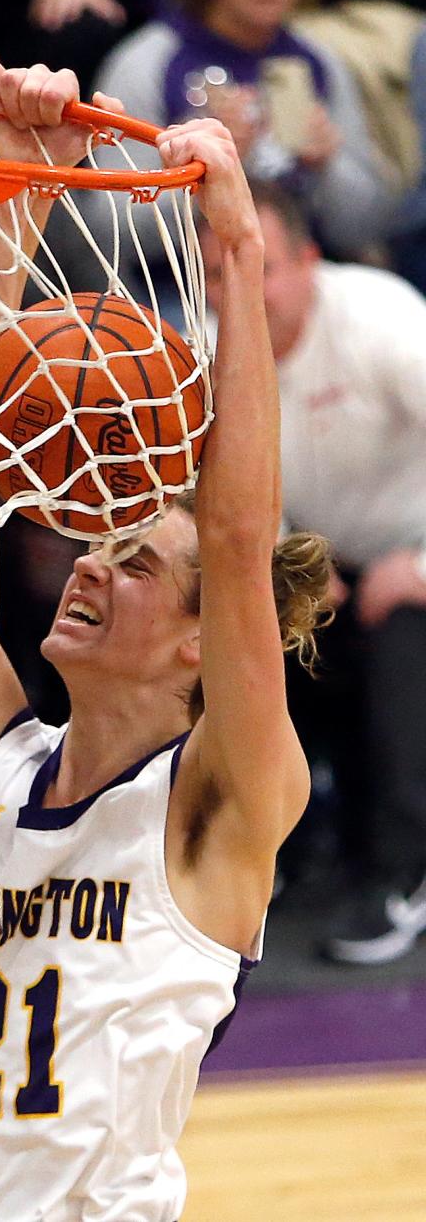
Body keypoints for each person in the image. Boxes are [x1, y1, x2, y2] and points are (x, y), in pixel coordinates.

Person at [0, 61, 331, 1219]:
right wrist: (25, 187)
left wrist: (236, 256)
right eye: (100, 545)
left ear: (198, 647)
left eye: (135, 565)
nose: (88, 560)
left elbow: (234, 539)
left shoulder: (215, 806)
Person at [200, 183, 426, 964]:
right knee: (239, 638)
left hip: (414, 558)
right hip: (324, 563)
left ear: (306, 260)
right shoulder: (208, 349)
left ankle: (405, 878)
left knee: (403, 640)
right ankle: (276, 855)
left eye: (254, 266)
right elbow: (222, 492)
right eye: (219, 273)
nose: (237, 291)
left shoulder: (384, 322)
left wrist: (421, 567)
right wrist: (288, 559)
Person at [87, 0, 394, 276]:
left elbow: (368, 227)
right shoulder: (146, 63)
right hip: (185, 290)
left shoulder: (320, 62)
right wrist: (199, 173)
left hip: (307, 279)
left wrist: (328, 166)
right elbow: (111, 230)